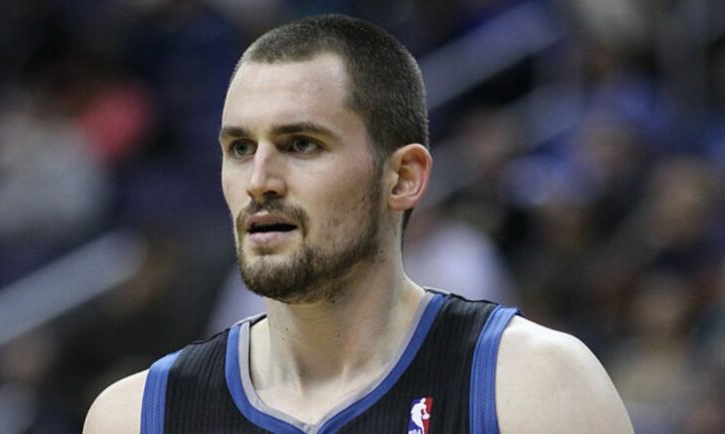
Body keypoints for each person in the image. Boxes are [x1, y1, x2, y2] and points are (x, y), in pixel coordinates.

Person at [84, 14, 634, 434]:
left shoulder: (534, 388)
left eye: (302, 144)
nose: (259, 180)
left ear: (403, 178)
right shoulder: (134, 417)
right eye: (240, 147)